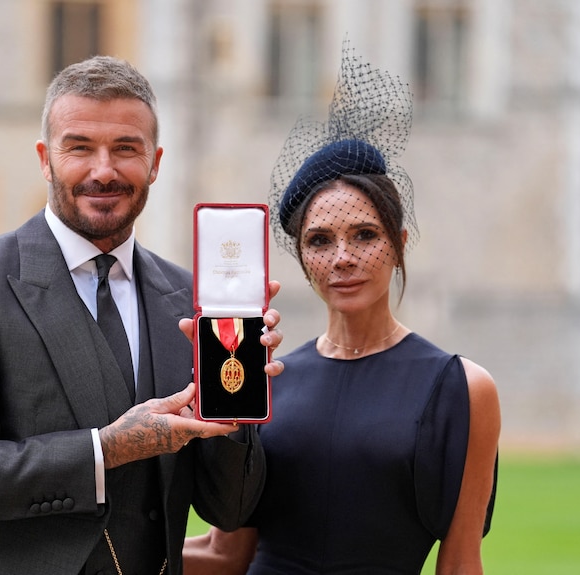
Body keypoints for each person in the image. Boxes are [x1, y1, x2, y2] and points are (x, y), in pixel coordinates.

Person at [0, 55, 283, 575]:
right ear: (45, 158)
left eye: (126, 148)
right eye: (79, 147)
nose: (104, 170)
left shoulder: (192, 299)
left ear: (155, 162)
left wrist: (234, 406)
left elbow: (230, 509)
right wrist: (107, 450)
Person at [183, 44, 500, 575]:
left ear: (399, 243)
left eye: (365, 235)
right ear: (302, 258)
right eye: (320, 241)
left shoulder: (465, 389)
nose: (343, 258)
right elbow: (226, 553)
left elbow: (462, 561)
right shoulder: (267, 375)